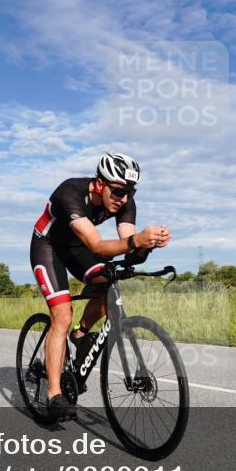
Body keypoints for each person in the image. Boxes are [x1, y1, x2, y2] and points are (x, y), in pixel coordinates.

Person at [30, 152, 171, 420]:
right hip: (48, 246)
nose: (124, 199)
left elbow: (129, 246)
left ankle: (81, 334)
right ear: (98, 184)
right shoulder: (70, 192)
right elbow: (96, 245)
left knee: (108, 283)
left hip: (77, 247)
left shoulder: (124, 201)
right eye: (118, 192)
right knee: (62, 317)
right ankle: (54, 394)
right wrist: (137, 241)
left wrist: (148, 245)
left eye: (130, 192)